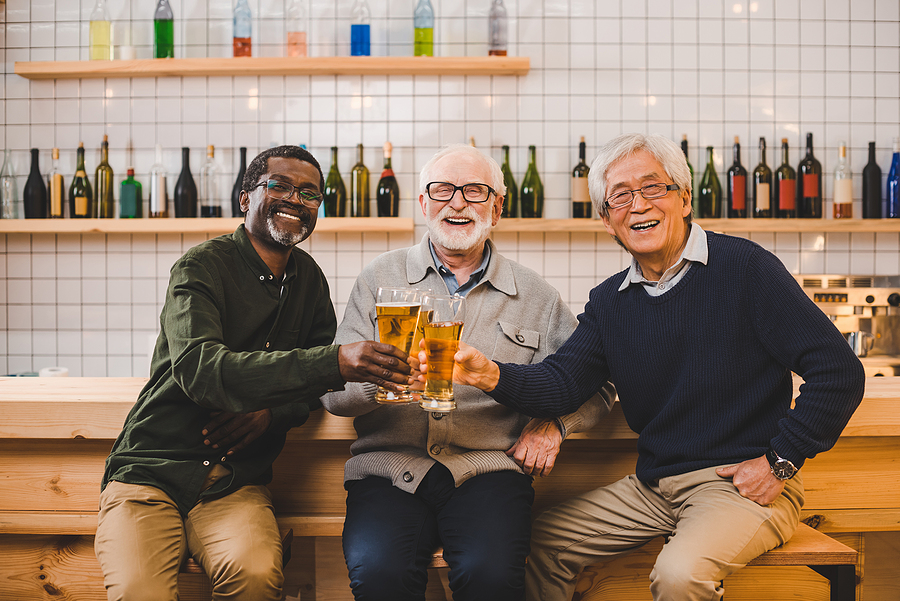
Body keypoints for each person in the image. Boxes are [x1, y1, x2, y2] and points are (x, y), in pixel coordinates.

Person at [427, 133, 866, 601]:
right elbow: (562, 384)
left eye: (653, 188)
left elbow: (839, 373)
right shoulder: (609, 302)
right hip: (655, 488)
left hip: (740, 485)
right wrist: (486, 373)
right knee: (534, 543)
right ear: (606, 220)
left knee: (678, 575)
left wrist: (780, 460)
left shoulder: (746, 269)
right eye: (620, 196)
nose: (637, 205)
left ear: (684, 198)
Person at [95, 145, 411, 601]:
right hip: (150, 473)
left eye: (309, 194)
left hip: (234, 484)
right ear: (246, 197)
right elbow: (203, 371)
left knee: (258, 577)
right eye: (279, 186)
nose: (294, 200)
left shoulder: (310, 280)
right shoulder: (200, 266)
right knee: (137, 592)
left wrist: (272, 412)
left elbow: (314, 391)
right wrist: (335, 361)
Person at [321, 143, 615, 601]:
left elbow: (600, 381)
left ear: (497, 207)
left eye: (475, 192)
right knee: (379, 576)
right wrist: (382, 384)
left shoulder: (535, 295)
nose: (457, 202)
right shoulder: (380, 278)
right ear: (423, 204)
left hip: (490, 472)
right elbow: (332, 394)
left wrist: (558, 425)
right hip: (388, 471)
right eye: (442, 190)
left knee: (492, 578)